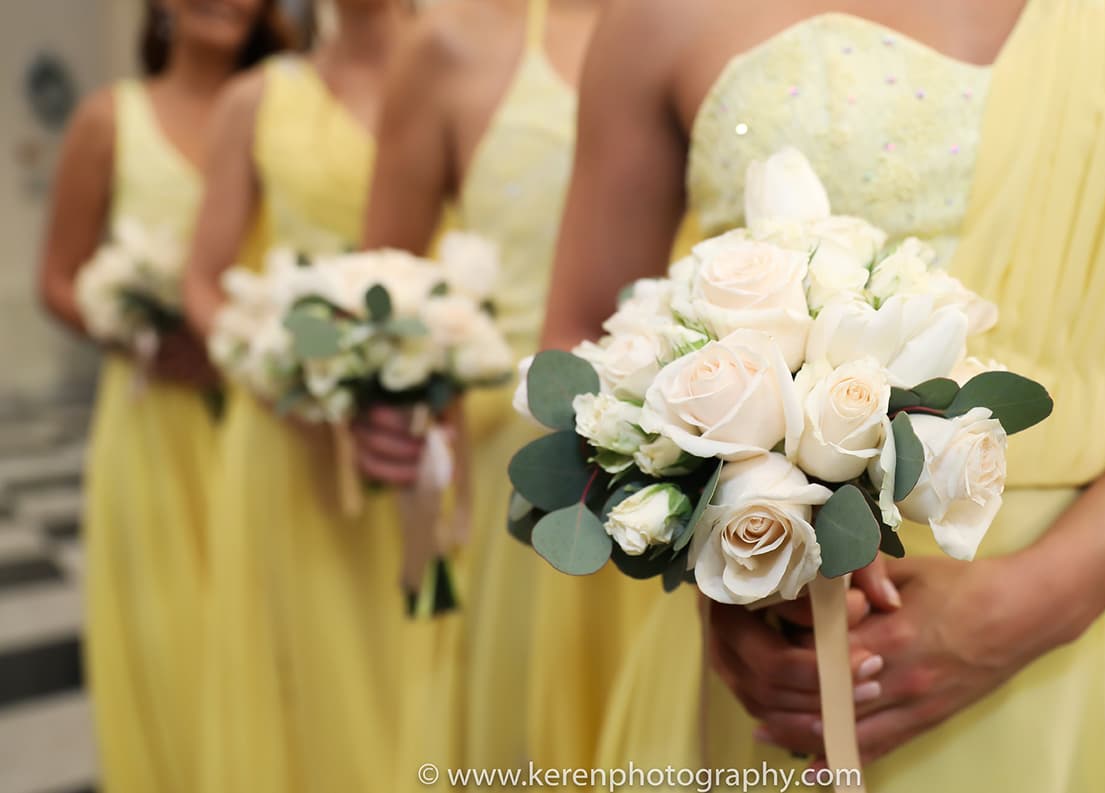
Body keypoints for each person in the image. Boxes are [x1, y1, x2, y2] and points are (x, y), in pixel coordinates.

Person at [538, 0, 1105, 790]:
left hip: (1079, 644)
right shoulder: (657, 16)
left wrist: (1042, 599)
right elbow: (581, 346)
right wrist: (724, 560)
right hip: (784, 639)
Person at [351, 0, 679, 778]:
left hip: (709, 452)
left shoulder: (720, 23)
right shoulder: (451, 43)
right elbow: (384, 280)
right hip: (534, 461)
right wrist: (389, 401)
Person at [36, 1, 291, 791]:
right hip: (156, 420)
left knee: (272, 637)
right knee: (173, 635)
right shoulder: (110, 119)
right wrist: (136, 331)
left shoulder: (290, 109)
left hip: (271, 413)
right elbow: (56, 277)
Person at [181, 2, 410, 791]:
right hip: (292, 434)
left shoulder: (466, 63)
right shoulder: (256, 98)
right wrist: (270, 363)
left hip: (428, 419)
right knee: (313, 677)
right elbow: (203, 279)